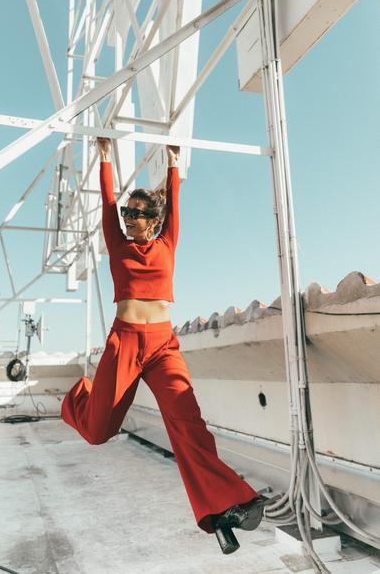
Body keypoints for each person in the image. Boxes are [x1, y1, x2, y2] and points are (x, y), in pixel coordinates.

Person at [61, 137, 269, 554]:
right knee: (99, 432)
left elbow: (175, 204)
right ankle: (78, 398)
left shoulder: (167, 242)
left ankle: (227, 504)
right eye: (127, 211)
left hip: (162, 346)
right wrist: (104, 157)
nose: (130, 217)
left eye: (139, 213)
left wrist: (174, 164)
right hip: (123, 343)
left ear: (154, 221)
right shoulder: (117, 244)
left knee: (188, 426)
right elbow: (105, 205)